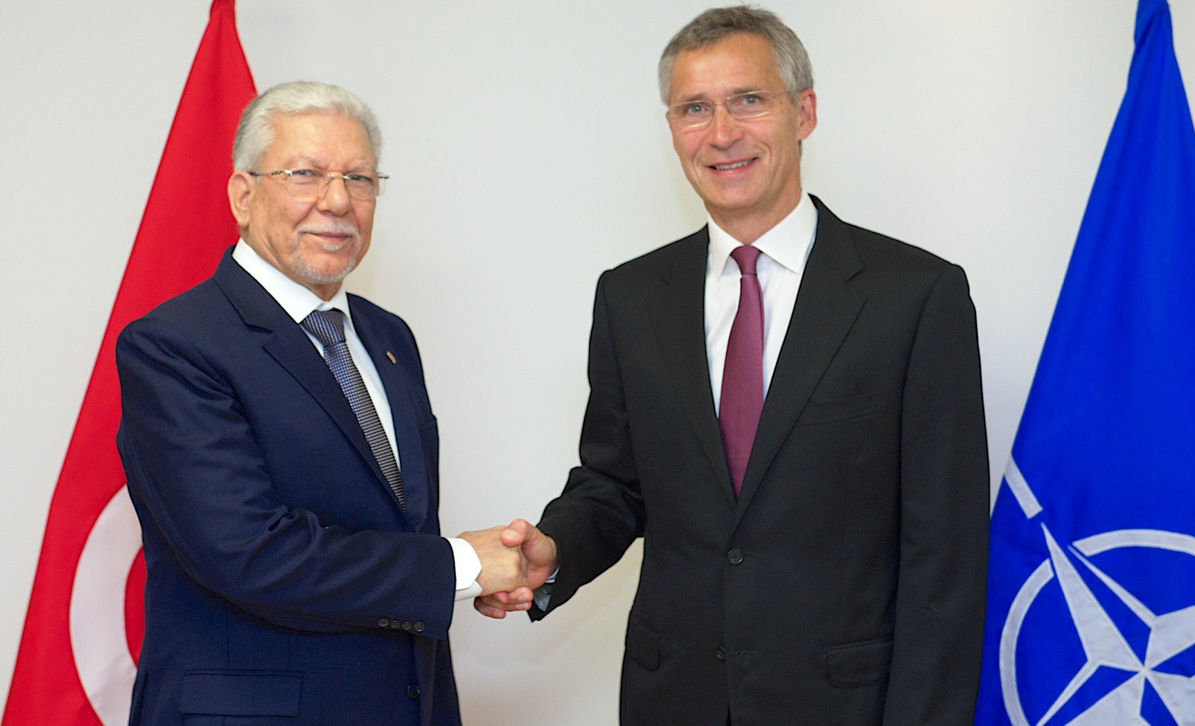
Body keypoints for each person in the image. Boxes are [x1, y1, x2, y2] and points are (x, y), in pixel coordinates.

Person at [476, 7, 989, 725]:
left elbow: (947, 555)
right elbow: (616, 483)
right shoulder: (630, 297)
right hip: (674, 698)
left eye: (748, 100)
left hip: (847, 705)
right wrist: (553, 551)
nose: (721, 133)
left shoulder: (915, 296)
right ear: (672, 128)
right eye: (695, 108)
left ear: (803, 112)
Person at [116, 81, 526, 725]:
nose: (337, 201)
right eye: (305, 174)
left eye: (360, 179)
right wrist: (461, 565)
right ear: (243, 195)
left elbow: (394, 529)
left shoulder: (388, 337)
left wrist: (485, 570)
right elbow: (250, 553)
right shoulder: (174, 346)